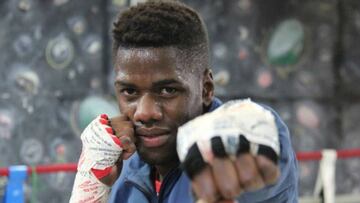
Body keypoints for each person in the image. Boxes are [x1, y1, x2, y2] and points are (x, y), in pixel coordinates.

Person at [70, 0, 298, 202]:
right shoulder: (125, 174)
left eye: (167, 90)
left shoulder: (225, 152)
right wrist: (90, 189)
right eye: (130, 91)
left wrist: (242, 142)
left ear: (206, 89)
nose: (144, 113)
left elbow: (264, 137)